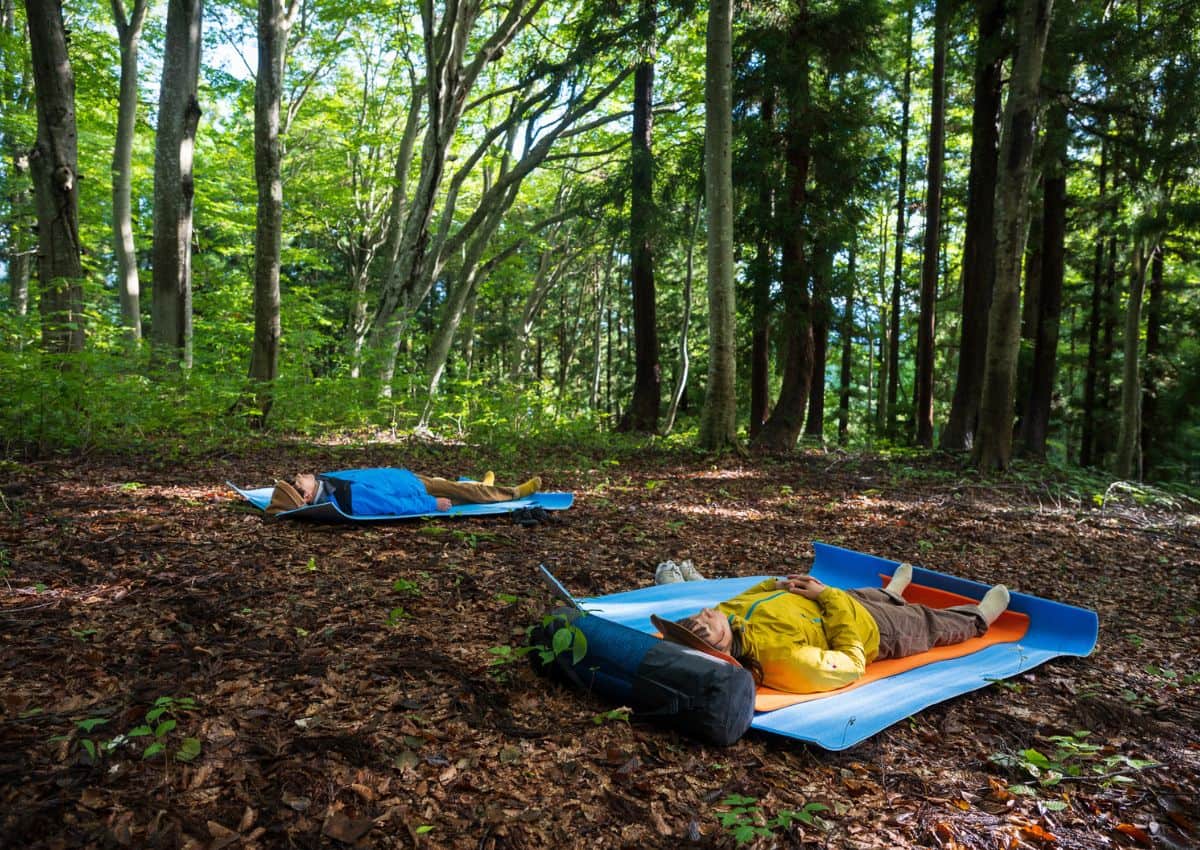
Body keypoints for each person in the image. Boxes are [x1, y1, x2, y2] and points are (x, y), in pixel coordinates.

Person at [650, 564, 1010, 694]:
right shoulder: (784, 660)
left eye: (695, 618)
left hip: (831, 600)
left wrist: (779, 585)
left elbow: (750, 595)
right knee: (930, 621)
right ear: (721, 651)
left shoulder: (724, 616)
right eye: (703, 626)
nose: (705, 613)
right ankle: (978, 617)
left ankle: (889, 592)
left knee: (864, 594)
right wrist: (828, 599)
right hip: (876, 630)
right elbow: (851, 662)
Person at [266, 467, 541, 516]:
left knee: (458, 489)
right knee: (458, 491)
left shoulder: (327, 483)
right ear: (305, 496)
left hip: (405, 479)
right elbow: (390, 504)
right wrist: (430, 505)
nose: (301, 475)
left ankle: (483, 485)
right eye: (297, 481)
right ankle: (512, 493)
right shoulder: (346, 496)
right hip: (412, 489)